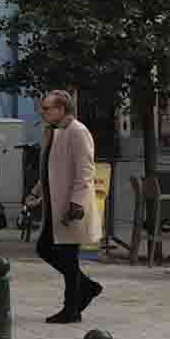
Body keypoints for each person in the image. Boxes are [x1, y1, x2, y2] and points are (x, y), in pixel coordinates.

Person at [25, 89, 100, 324]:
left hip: (69, 206)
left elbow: (86, 171)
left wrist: (76, 203)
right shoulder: (52, 132)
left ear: (61, 109)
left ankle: (72, 308)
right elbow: (50, 169)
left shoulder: (77, 131)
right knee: (45, 248)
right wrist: (36, 191)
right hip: (53, 205)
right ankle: (86, 288)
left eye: (46, 108)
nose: (42, 112)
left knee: (68, 256)